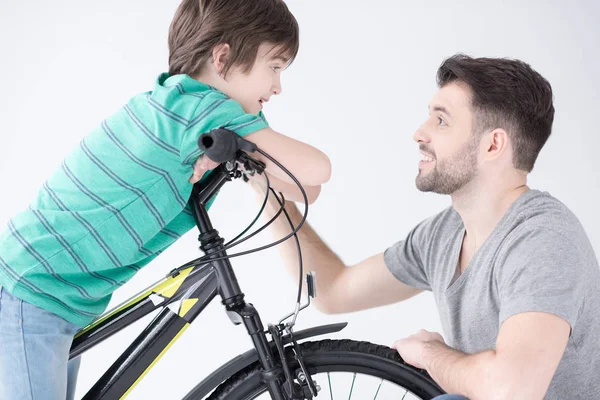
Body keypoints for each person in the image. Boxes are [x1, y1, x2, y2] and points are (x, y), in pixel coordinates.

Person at [0, 0, 331, 399]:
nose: (278, 86)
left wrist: (239, 151)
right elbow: (318, 170)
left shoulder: (185, 105)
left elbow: (303, 186)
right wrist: (242, 147)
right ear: (223, 57)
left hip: (53, 294)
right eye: (274, 67)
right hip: (30, 293)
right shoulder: (200, 110)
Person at [252, 54, 600, 399]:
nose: (419, 133)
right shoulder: (444, 235)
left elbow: (511, 391)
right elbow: (332, 291)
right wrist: (263, 187)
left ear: (493, 144)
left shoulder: (542, 239)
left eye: (442, 121)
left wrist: (430, 355)